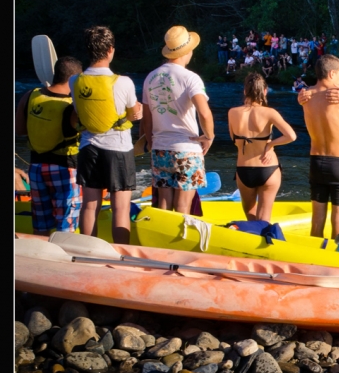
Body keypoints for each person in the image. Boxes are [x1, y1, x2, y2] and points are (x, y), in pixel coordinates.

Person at [72, 26, 142, 244]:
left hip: (88, 147)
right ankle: (121, 255)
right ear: (110, 50)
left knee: (90, 205)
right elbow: (134, 113)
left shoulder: (74, 81)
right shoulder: (124, 82)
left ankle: (87, 252)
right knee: (120, 207)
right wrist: (137, 110)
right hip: (118, 149)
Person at [140, 26, 215, 216]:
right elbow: (204, 114)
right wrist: (209, 136)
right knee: (184, 207)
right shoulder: (191, 78)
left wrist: (151, 142)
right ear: (187, 51)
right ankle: (180, 244)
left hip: (160, 147)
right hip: (187, 149)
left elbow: (146, 120)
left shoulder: (150, 78)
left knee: (163, 206)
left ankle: (161, 241)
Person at [15, 56, 84, 234]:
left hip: (36, 168)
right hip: (65, 169)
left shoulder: (30, 95)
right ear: (74, 79)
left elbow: (20, 130)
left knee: (41, 224)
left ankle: (41, 256)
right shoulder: (73, 104)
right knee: (66, 226)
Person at [295, 55, 339, 238]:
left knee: (317, 222)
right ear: (332, 73)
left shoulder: (305, 96)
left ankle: (314, 262)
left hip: (317, 161)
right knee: (338, 223)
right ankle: (337, 262)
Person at [228, 71, 297, 223]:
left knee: (250, 218)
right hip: (268, 168)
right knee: (264, 220)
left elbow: (234, 140)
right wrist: (271, 144)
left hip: (244, 169)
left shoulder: (232, 112)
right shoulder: (270, 112)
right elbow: (291, 136)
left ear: (245, 91)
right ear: (265, 91)